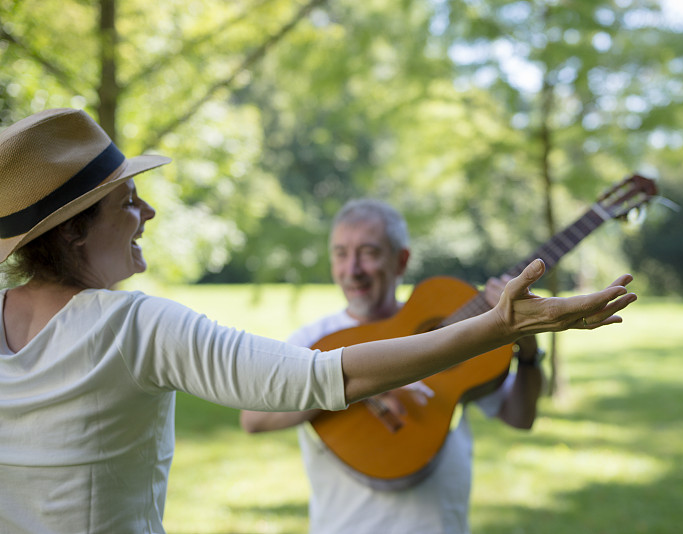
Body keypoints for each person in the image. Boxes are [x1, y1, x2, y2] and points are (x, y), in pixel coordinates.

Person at [0, 108, 635, 534]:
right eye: (127, 201)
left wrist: (512, 343)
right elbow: (319, 379)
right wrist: (498, 326)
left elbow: (517, 412)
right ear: (76, 232)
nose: (149, 212)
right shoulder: (135, 326)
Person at [240, 199, 635, 534]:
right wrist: (357, 386)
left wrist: (526, 347)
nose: (353, 269)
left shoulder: (458, 323)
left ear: (402, 260)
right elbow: (253, 418)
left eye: (368, 252)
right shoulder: (314, 340)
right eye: (341, 253)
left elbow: (521, 416)